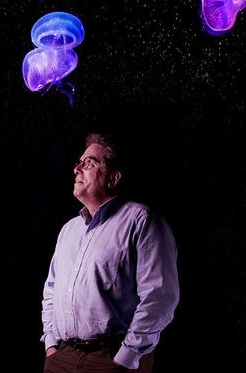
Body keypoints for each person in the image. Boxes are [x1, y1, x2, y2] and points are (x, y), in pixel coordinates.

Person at [42, 133, 179, 372]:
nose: (77, 169)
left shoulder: (143, 222)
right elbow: (51, 289)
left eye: (89, 163)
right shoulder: (68, 230)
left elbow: (160, 297)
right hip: (61, 359)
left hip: (111, 361)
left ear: (113, 178)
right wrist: (51, 344)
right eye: (79, 162)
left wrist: (126, 356)